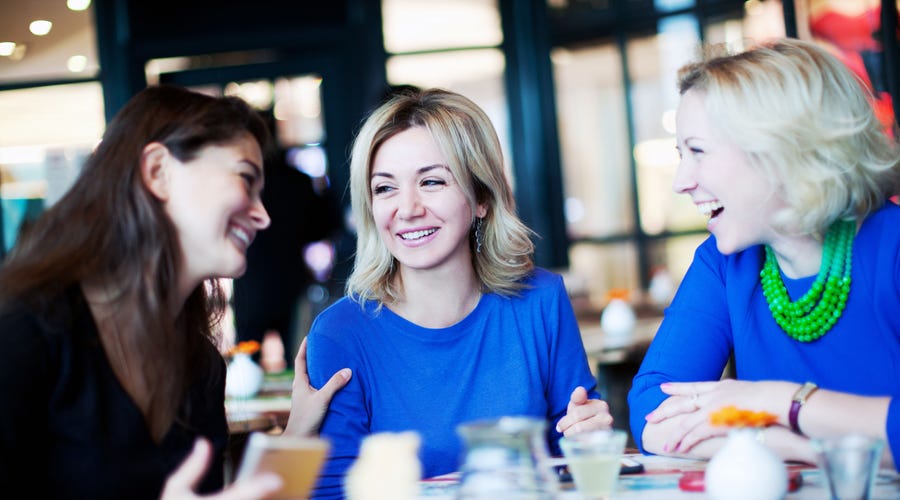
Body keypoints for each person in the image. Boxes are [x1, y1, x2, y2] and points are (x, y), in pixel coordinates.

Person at [0, 85, 350, 499]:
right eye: (244, 179)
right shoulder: (23, 331)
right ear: (158, 171)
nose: (263, 215)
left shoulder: (200, 367)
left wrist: (295, 436)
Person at [305, 88, 613, 499]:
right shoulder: (341, 333)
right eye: (385, 188)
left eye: (431, 182)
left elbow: (571, 465)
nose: (408, 208)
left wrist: (588, 436)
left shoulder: (541, 300)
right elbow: (332, 493)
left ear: (481, 197)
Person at [627, 38, 900, 469]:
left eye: (697, 151)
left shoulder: (892, 248)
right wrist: (800, 447)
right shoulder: (722, 263)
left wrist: (775, 402)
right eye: (682, 155)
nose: (681, 182)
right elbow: (652, 414)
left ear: (782, 149)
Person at [232, 133, 342, 370]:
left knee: (245, 365)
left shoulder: (243, 184)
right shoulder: (298, 180)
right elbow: (321, 229)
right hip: (290, 281)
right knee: (300, 362)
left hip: (251, 282)